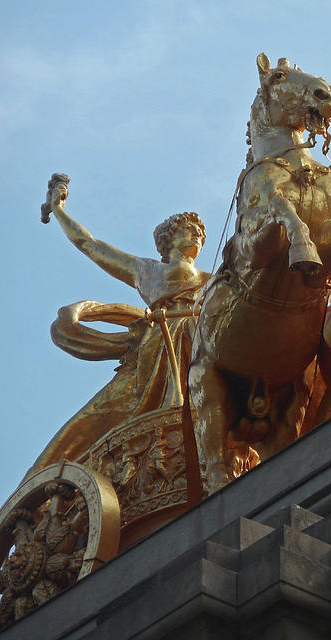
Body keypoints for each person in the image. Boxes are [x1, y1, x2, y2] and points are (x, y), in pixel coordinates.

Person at [26, 179, 210, 475]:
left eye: (200, 233)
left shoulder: (215, 278)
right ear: (168, 239)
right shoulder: (146, 270)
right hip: (160, 341)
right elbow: (91, 245)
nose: (198, 235)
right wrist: (58, 210)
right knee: (101, 412)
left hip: (203, 336)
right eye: (190, 229)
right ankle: (50, 476)